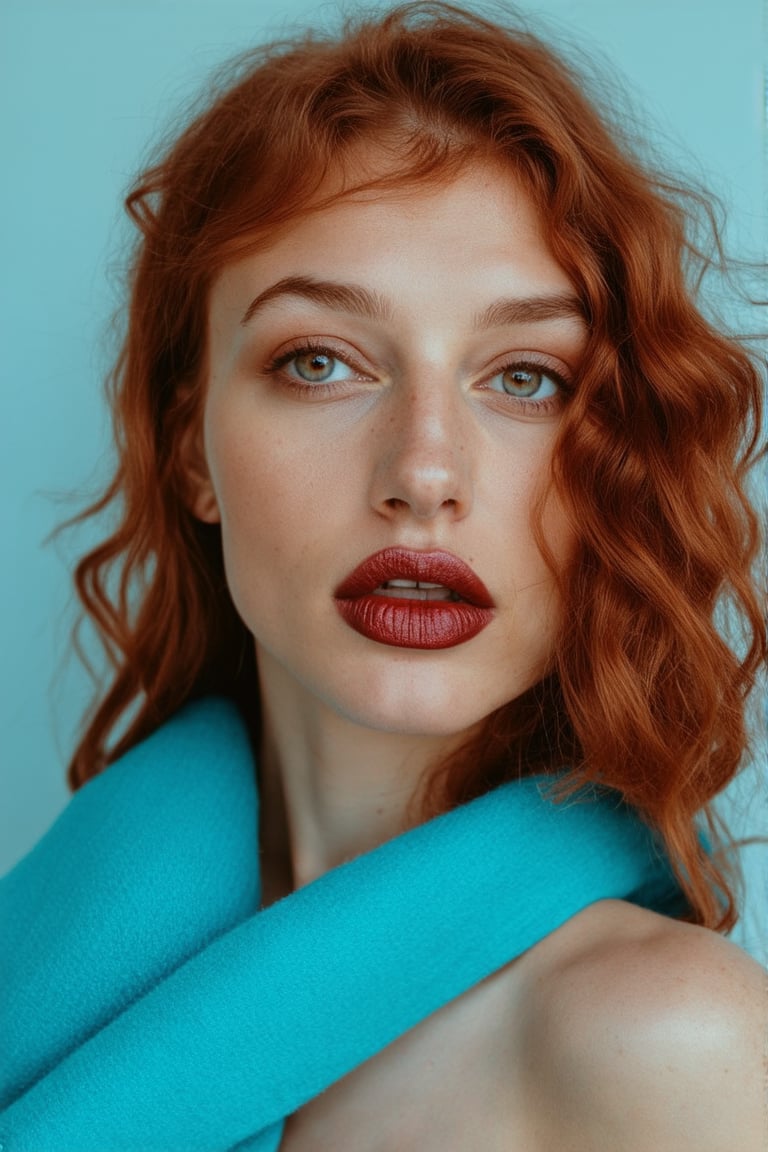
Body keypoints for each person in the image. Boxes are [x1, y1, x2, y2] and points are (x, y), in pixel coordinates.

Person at [1, 3, 765, 1149]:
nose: (424, 472)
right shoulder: (51, 963)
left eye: (525, 378)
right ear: (188, 447)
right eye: (320, 362)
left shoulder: (662, 1040)